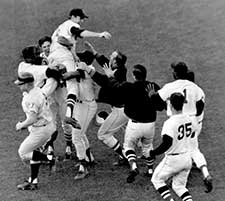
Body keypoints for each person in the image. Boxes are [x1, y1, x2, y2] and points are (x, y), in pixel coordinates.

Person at [150, 61, 213, 193]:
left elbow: (156, 99)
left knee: (176, 149)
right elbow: (200, 106)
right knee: (194, 149)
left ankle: (174, 175)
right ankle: (204, 173)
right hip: (193, 121)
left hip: (177, 120)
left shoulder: (171, 86)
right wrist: (195, 119)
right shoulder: (196, 88)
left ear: (175, 73)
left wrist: (153, 95)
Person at [48, 8, 111, 130]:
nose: (81, 20)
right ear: (73, 16)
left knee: (51, 83)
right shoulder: (72, 24)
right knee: (73, 86)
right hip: (63, 55)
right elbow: (80, 32)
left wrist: (74, 53)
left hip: (52, 56)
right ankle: (68, 115)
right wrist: (99, 34)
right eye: (80, 18)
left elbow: (60, 40)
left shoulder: (60, 28)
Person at [100, 64, 161, 183]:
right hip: (150, 125)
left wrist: (110, 76)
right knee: (147, 147)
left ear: (133, 76)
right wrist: (152, 96)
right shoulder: (153, 86)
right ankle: (150, 171)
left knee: (128, 147)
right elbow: (160, 106)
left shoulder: (129, 87)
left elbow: (115, 86)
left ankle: (133, 167)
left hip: (135, 125)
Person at [82, 41, 129, 165]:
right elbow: (105, 63)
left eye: (112, 57)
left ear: (115, 62)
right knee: (129, 132)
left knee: (103, 135)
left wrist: (88, 69)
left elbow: (103, 81)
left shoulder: (118, 73)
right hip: (121, 108)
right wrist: (94, 51)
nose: (109, 58)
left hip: (121, 110)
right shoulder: (117, 67)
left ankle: (125, 156)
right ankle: (134, 149)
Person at [151, 92, 196, 201]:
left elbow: (167, 143)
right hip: (187, 158)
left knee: (157, 180)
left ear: (170, 105)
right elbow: (192, 134)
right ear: (183, 104)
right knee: (179, 187)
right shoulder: (189, 119)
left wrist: (153, 153)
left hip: (173, 160)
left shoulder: (170, 123)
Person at [15, 72, 56, 190]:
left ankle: (50, 159)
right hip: (45, 126)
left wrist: (21, 125)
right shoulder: (37, 90)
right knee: (33, 153)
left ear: (27, 84)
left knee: (23, 153)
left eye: (21, 84)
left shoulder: (33, 98)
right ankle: (33, 181)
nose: (19, 86)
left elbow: (32, 119)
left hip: (40, 130)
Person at [62, 50, 98, 179]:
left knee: (76, 136)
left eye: (81, 59)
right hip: (80, 105)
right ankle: (89, 158)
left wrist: (63, 73)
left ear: (85, 61)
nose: (78, 60)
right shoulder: (83, 66)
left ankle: (83, 167)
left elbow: (71, 75)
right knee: (80, 134)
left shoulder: (87, 70)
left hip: (87, 106)